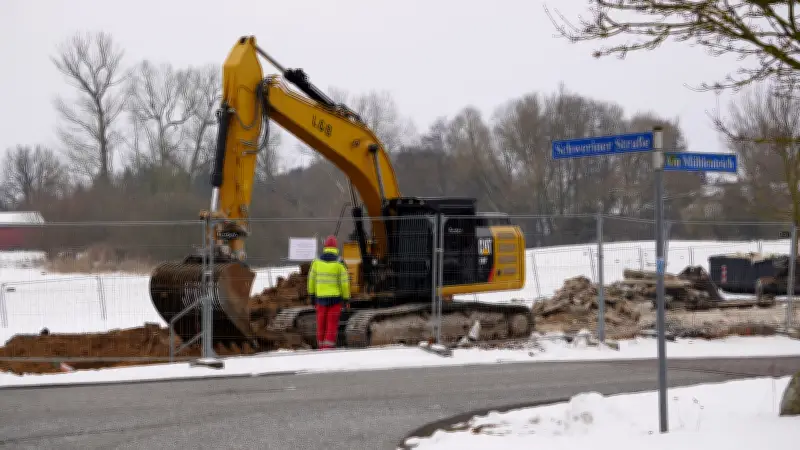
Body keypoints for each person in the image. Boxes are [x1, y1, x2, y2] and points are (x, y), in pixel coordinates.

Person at [307, 235, 350, 349]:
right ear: (336, 247)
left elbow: (311, 280)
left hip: (320, 299)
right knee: (331, 324)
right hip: (335, 299)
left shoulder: (316, 262)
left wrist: (312, 295)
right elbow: (344, 284)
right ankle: (328, 348)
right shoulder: (340, 262)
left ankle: (321, 346)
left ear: (325, 246)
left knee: (321, 323)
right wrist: (346, 298)